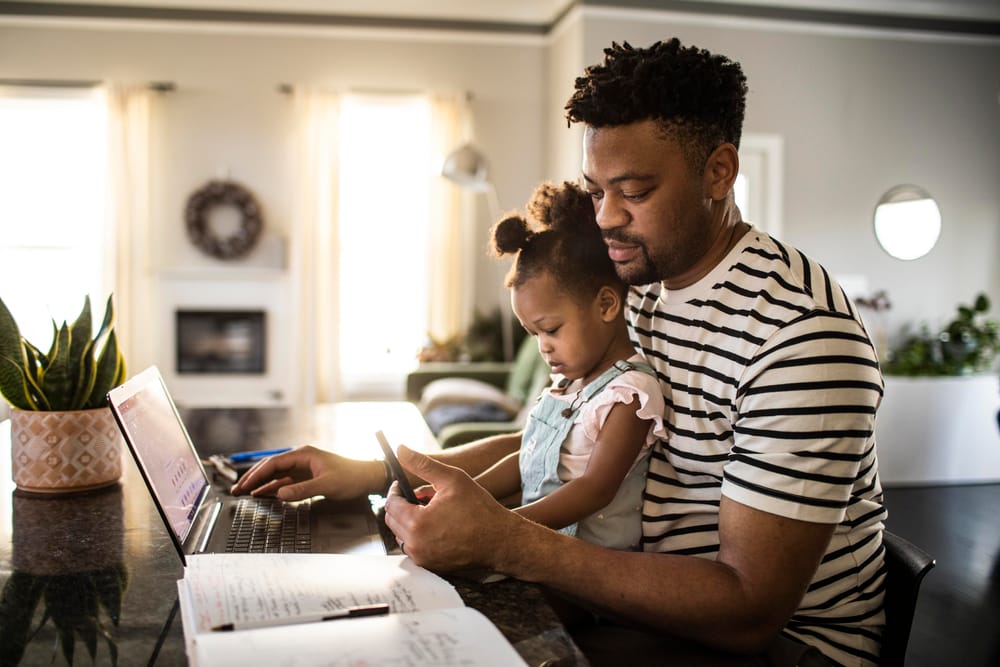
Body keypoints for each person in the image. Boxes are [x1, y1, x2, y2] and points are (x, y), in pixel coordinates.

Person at [233, 38, 886, 666]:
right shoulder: (643, 287)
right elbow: (562, 438)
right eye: (597, 191)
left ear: (719, 170)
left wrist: (507, 538)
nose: (604, 218)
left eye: (633, 192)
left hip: (771, 648)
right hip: (631, 603)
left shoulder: (799, 335)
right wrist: (379, 475)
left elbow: (747, 610)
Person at [453, 180, 667, 550]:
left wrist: (498, 526)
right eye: (533, 334)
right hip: (537, 548)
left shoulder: (630, 394)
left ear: (605, 305)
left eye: (550, 329)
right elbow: (526, 459)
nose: (543, 348)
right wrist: (462, 495)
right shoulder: (568, 385)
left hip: (589, 569)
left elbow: (594, 490)